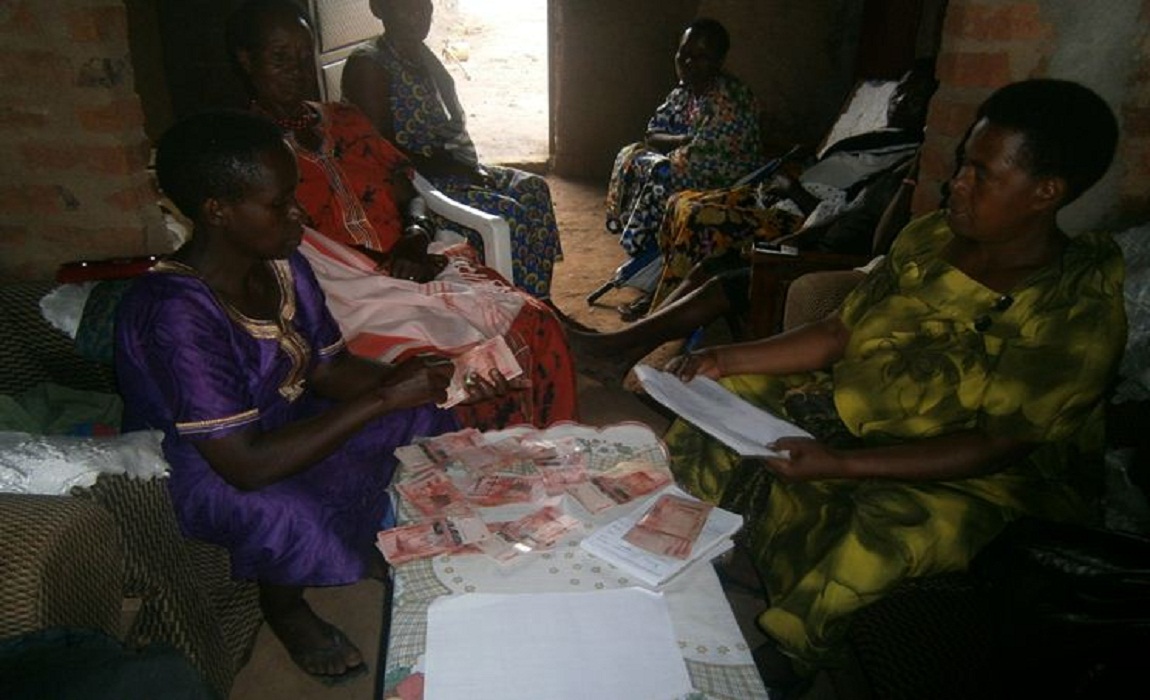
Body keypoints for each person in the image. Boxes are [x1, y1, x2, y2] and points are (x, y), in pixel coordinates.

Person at [662, 79, 1125, 690]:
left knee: (887, 534)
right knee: (720, 401)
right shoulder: (932, 240)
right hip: (854, 409)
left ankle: (790, 658)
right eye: (963, 164)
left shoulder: (1074, 307)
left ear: (1045, 193)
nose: (955, 183)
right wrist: (725, 358)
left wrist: (838, 466)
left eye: (981, 175)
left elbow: (1000, 444)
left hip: (983, 475)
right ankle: (685, 556)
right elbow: (839, 333)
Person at [114, 110, 462, 682]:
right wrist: (380, 398)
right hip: (209, 465)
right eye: (280, 205)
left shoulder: (283, 263)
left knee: (419, 408)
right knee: (288, 511)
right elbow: (247, 466)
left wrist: (414, 379)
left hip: (286, 420)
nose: (299, 213)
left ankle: (372, 533)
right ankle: (283, 606)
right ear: (218, 212)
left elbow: (328, 370)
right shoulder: (174, 312)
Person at [225, 0, 578, 430]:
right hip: (343, 291)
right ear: (247, 60)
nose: (298, 69)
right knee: (451, 362)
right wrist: (380, 267)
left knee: (534, 320)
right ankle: (488, 473)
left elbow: (406, 182)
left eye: (304, 54)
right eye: (281, 57)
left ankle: (551, 453)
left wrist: (414, 232)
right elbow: (289, 246)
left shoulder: (344, 119)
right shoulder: (248, 154)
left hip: (412, 260)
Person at [645, 59, 938, 308]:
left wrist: (793, 190)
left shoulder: (903, 156)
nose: (900, 101)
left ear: (931, 110)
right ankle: (662, 292)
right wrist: (806, 161)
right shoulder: (881, 138)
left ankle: (665, 303)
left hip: (798, 220)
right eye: (900, 91)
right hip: (781, 196)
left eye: (915, 98)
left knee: (698, 216)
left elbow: (844, 213)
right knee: (681, 200)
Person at [341, 0, 562, 300]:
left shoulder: (420, 55)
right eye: (407, 5)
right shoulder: (369, 65)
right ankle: (518, 311)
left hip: (447, 168)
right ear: (378, 8)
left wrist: (468, 167)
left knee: (534, 189)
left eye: (424, 3)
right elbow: (381, 153)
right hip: (414, 187)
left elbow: (447, 130)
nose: (419, 11)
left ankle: (540, 304)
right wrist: (455, 168)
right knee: (510, 216)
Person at [605, 17, 763, 315]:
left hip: (728, 178)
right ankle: (649, 261)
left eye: (701, 57)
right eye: (684, 54)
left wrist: (675, 145)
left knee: (658, 173)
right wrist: (685, 138)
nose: (689, 63)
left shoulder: (731, 98)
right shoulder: (684, 93)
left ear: (719, 61)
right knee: (631, 155)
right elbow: (652, 133)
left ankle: (660, 285)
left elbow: (703, 156)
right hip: (689, 165)